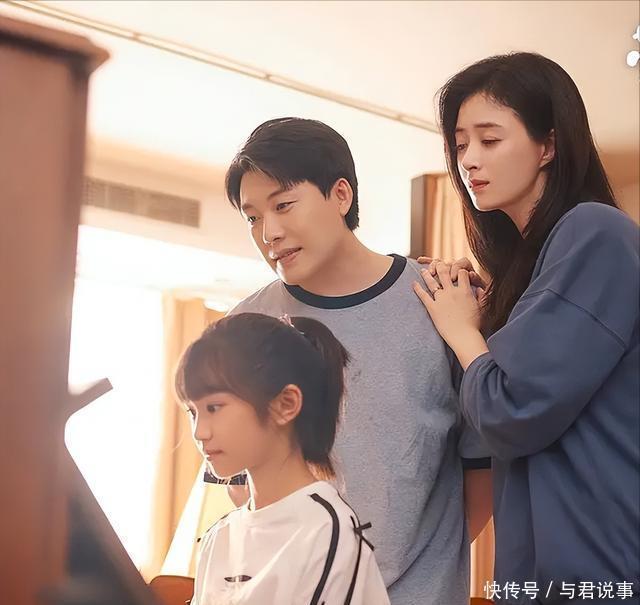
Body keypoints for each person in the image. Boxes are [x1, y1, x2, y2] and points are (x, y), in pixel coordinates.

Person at [222, 117, 493, 604]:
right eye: (252, 218)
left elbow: (483, 469)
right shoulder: (240, 329)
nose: (269, 232)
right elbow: (239, 485)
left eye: (283, 205)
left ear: (341, 195)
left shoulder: (440, 301)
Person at [414, 52, 639, 603]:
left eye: (489, 139)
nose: (469, 160)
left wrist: (463, 332)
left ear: (549, 146)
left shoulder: (595, 232)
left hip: (602, 569)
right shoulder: (529, 268)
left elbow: (513, 410)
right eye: (460, 145)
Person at [176, 312, 390, 605]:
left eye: (214, 408)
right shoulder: (219, 537)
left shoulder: (326, 529)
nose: (199, 432)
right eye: (192, 412)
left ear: (285, 404)